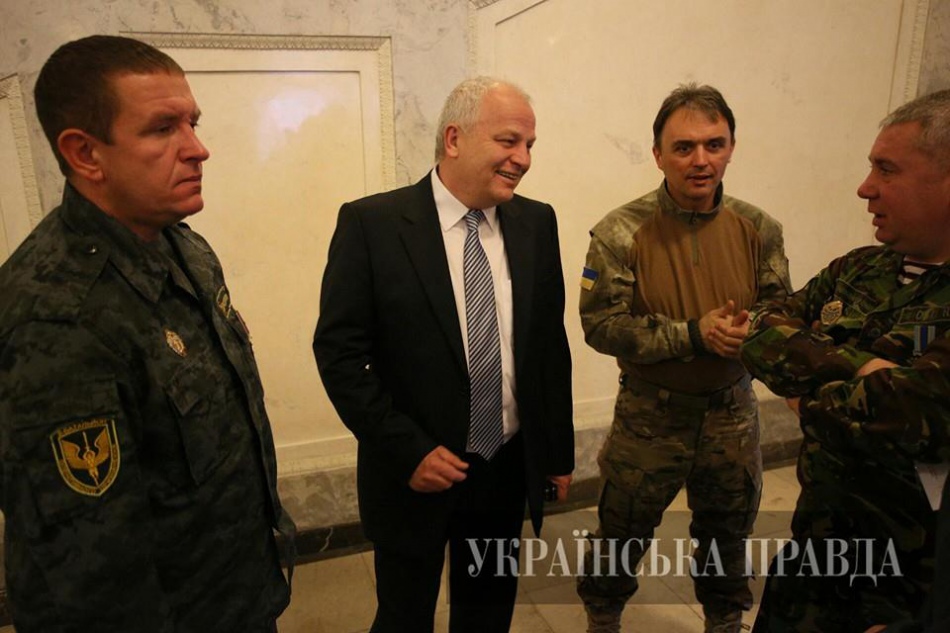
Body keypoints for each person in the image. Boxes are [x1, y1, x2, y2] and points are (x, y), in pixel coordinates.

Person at [0, 35, 293, 632]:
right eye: (163, 129)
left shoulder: (182, 246)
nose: (198, 149)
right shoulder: (56, 315)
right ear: (86, 154)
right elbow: (92, 574)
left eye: (192, 124)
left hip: (236, 590)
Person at [312, 76, 574, 633]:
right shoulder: (372, 225)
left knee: (487, 616)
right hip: (415, 475)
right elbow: (339, 355)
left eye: (530, 145)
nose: (524, 159)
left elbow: (549, 347)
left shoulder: (537, 222)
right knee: (404, 617)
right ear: (454, 139)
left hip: (504, 466)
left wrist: (556, 453)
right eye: (508, 141)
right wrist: (407, 450)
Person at [576, 83, 791, 633]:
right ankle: (603, 619)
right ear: (658, 154)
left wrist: (753, 333)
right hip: (650, 415)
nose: (701, 160)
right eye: (684, 147)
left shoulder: (760, 228)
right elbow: (600, 326)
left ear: (731, 147)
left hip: (731, 413)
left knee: (728, 535)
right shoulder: (620, 232)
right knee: (621, 532)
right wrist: (693, 335)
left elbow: (780, 313)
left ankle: (724, 621)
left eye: (714, 145)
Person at [741, 89, 950, 631]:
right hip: (814, 555)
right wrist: (863, 371)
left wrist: (807, 387)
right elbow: (758, 329)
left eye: (887, 169)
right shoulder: (856, 269)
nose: (865, 187)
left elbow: (918, 413)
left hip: (907, 589)